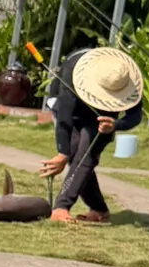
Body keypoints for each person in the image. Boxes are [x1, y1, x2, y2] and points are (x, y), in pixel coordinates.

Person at [39, 47, 143, 223]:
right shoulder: (73, 69)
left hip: (103, 119)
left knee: (86, 155)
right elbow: (65, 113)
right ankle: (99, 209)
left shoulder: (125, 77)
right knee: (73, 152)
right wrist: (62, 153)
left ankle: (61, 207)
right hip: (70, 110)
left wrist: (115, 125)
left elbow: (135, 115)